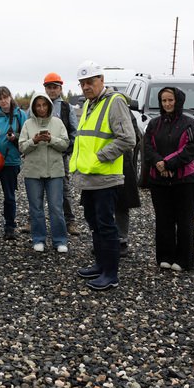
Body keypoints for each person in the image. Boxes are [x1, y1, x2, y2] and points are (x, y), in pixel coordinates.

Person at [70, 60, 136, 291]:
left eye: (90, 82)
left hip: (105, 177)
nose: (86, 87)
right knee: (95, 223)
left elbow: (128, 138)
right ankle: (100, 265)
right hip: (89, 176)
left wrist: (101, 156)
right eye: (82, 83)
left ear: (101, 80)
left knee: (106, 225)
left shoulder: (114, 102)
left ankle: (111, 274)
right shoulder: (90, 104)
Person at [144, 87, 194, 271]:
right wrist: (158, 163)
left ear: (178, 101)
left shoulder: (189, 124)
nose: (167, 104)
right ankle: (165, 256)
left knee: (184, 221)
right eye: (164, 100)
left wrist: (168, 164)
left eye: (170, 100)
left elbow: (190, 148)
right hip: (159, 180)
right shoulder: (154, 124)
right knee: (163, 219)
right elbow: (147, 147)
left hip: (184, 181)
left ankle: (184, 259)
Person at [18, 93, 69, 252]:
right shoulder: (27, 124)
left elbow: (65, 144)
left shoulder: (58, 122)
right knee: (36, 208)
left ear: (49, 106)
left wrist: (51, 139)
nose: (41, 108)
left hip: (55, 172)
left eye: (44, 105)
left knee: (56, 208)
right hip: (33, 172)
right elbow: (22, 147)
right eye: (38, 105)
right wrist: (34, 141)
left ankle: (60, 241)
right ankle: (38, 239)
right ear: (33, 107)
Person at [43, 73, 81, 235]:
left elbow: (74, 131)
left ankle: (70, 221)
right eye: (49, 87)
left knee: (64, 188)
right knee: (37, 189)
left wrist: (67, 150)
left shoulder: (66, 107)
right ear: (45, 88)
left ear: (60, 89)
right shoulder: (38, 104)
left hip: (60, 156)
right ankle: (32, 220)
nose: (52, 90)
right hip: (39, 155)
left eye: (55, 87)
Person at [0, 86, 27, 239]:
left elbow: (26, 135)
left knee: (9, 197)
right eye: (0, 98)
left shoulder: (20, 115)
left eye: (5, 97)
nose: (3, 101)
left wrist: (15, 136)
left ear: (10, 97)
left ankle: (10, 227)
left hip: (11, 162)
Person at [114, 108, 143, 257]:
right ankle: (103, 239)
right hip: (99, 164)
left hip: (122, 163)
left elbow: (134, 138)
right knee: (100, 204)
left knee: (122, 204)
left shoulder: (124, 110)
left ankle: (121, 240)